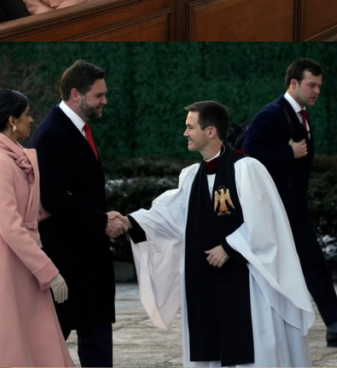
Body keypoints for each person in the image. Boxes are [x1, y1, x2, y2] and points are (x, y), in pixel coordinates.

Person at [119, 101, 314, 366]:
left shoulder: (247, 168)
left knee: (249, 351)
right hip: (205, 283)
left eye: (190, 127)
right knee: (209, 346)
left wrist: (230, 248)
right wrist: (129, 222)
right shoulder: (191, 176)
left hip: (245, 283)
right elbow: (170, 214)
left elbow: (267, 223)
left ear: (210, 131)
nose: (185, 132)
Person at [242, 59, 337, 348]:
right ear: (293, 84)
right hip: (275, 209)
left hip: (292, 207)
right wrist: (286, 152)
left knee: (312, 262)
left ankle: (333, 325)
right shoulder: (272, 113)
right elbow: (248, 154)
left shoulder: (299, 113)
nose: (316, 91)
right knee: (278, 267)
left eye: (318, 86)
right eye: (311, 85)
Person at [29, 61, 125, 368]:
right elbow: (53, 198)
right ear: (75, 94)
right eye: (99, 95)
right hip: (68, 262)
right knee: (49, 344)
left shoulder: (75, 129)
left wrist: (103, 216)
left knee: (96, 342)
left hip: (88, 259)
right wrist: (101, 220)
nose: (105, 101)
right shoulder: (51, 133)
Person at [0, 91, 75, 368]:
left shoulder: (11, 156)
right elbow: (11, 226)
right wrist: (49, 272)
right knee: (5, 345)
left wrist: (78, 209)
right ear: (12, 121)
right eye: (27, 114)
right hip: (2, 261)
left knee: (21, 342)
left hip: (19, 260)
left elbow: (29, 212)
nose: (32, 119)